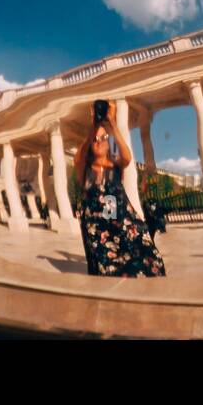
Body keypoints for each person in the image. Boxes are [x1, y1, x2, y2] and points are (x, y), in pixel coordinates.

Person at [74, 100, 165, 278]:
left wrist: (112, 122)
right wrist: (93, 126)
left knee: (144, 257)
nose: (98, 142)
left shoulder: (115, 164)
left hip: (117, 218)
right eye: (95, 140)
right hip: (95, 226)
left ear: (110, 143)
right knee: (106, 270)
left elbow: (127, 155)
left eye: (103, 138)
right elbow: (79, 157)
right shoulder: (85, 167)